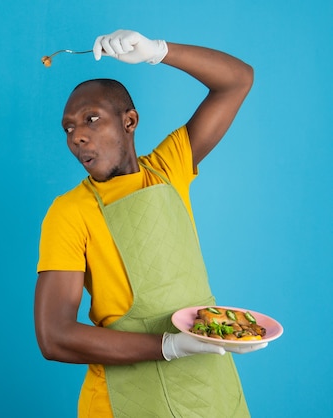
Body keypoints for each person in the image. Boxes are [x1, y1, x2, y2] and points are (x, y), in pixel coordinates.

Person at [34, 29, 265, 418]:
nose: (78, 137)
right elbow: (54, 337)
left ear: (130, 121)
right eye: (69, 128)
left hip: (209, 389)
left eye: (91, 119)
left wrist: (157, 51)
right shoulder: (70, 211)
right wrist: (168, 347)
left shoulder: (168, 169)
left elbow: (237, 80)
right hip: (124, 399)